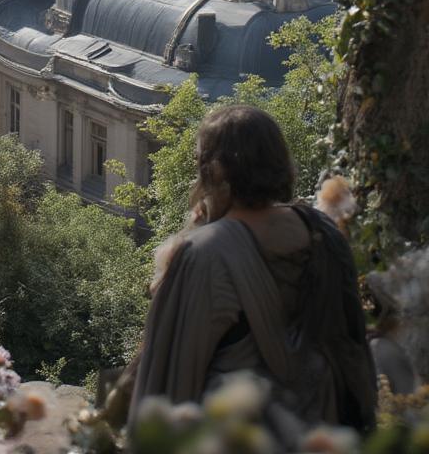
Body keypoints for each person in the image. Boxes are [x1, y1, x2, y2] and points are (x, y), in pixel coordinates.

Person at [130, 105, 376, 444]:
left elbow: (167, 383)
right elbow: (354, 351)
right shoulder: (323, 232)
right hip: (323, 435)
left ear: (215, 172)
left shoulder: (206, 255)